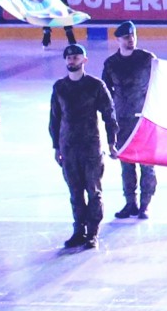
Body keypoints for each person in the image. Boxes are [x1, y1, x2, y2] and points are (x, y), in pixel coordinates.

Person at [48, 41, 117, 251]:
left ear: (84, 60)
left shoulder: (95, 86)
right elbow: (54, 119)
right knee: (75, 192)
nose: (72, 60)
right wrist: (56, 147)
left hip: (90, 148)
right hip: (68, 148)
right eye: (69, 58)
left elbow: (109, 114)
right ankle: (78, 231)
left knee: (93, 191)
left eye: (76, 57)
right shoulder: (60, 87)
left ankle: (92, 233)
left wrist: (112, 142)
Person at [102, 20, 158, 219]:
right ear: (118, 40)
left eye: (133, 36)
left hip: (144, 119)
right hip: (122, 120)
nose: (131, 40)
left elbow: (159, 83)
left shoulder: (147, 59)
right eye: (126, 37)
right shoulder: (111, 64)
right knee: (126, 163)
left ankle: (145, 204)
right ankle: (130, 203)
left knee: (147, 164)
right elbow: (106, 93)